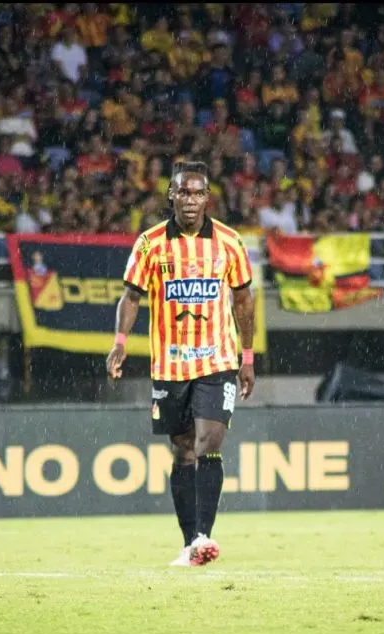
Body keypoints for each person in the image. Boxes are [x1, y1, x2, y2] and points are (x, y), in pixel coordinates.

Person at [106, 161, 256, 567]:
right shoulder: (150, 243)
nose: (191, 200)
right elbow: (132, 295)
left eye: (198, 193)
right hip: (170, 365)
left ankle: (205, 534)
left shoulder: (229, 242)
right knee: (183, 450)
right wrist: (120, 342)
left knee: (210, 441)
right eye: (183, 193)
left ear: (208, 197)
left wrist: (246, 356)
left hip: (217, 359)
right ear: (171, 195)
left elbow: (243, 299)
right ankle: (191, 542)